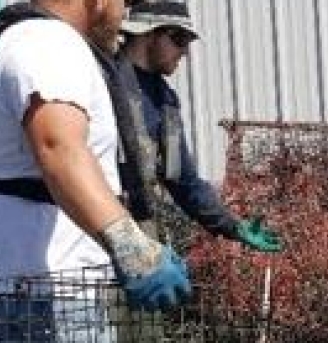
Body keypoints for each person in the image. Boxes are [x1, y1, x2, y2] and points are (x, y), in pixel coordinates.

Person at [0, 0, 190, 343]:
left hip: (24, 297)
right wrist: (133, 247)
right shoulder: (48, 43)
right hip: (37, 303)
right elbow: (57, 147)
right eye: (124, 3)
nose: (124, 14)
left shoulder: (22, 40)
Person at [116, 0, 283, 253]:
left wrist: (232, 226)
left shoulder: (166, 101)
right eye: (179, 39)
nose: (184, 52)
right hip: (87, 235)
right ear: (148, 34)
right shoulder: (103, 81)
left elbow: (182, 179)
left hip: (135, 237)